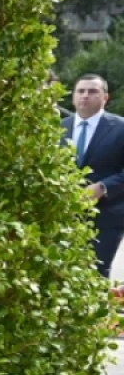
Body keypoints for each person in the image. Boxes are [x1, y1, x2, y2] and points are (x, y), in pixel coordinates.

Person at [61, 74, 124, 277]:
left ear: (105, 97)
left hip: (106, 217)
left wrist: (103, 187)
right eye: (81, 91)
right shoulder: (58, 128)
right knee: (62, 274)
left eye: (93, 91)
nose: (85, 96)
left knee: (94, 275)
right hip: (64, 217)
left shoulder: (121, 128)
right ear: (73, 97)